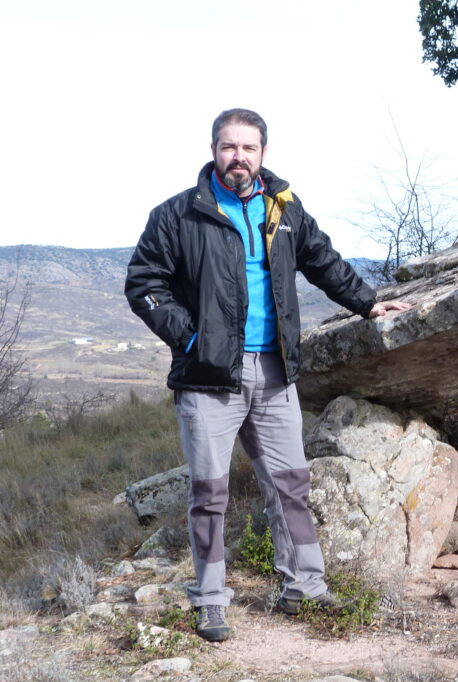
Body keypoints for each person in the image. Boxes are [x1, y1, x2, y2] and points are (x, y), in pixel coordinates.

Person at [125, 108, 410, 642]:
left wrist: (369, 304)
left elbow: (323, 261)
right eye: (229, 147)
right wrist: (190, 339)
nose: (239, 157)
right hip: (208, 379)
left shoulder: (285, 207)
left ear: (262, 153)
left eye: (249, 148)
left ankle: (305, 586)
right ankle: (211, 600)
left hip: (275, 372)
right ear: (214, 150)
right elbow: (143, 283)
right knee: (210, 493)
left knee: (291, 485)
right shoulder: (178, 215)